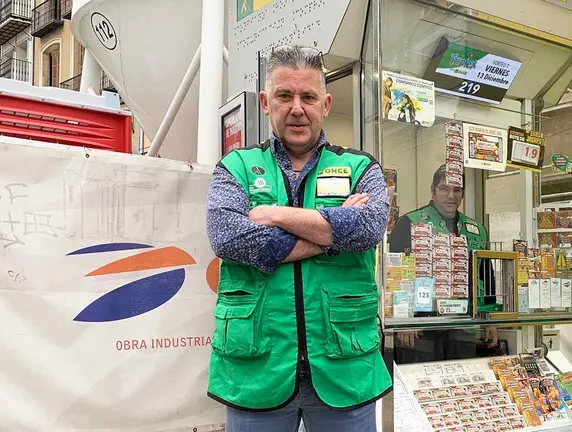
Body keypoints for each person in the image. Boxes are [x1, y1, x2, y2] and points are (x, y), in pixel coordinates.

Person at [205, 45, 391, 432]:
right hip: (256, 368)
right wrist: (332, 235)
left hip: (344, 365)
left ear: (325, 104)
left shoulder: (361, 166)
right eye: (284, 96)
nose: (296, 108)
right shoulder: (235, 167)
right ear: (264, 102)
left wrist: (275, 215)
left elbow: (370, 226)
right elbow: (228, 236)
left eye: (307, 97)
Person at [388, 165, 498, 363]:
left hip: (463, 325)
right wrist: (402, 320)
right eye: (444, 188)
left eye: (457, 190)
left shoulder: (476, 230)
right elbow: (395, 274)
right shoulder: (409, 223)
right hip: (421, 325)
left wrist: (489, 318)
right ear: (433, 191)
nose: (451, 196)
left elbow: (485, 275)